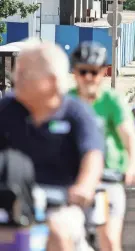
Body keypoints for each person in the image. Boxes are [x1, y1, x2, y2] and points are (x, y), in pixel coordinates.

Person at [0, 38, 105, 251]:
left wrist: (84, 186)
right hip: (10, 202)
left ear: (51, 80)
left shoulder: (77, 112)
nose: (14, 77)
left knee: (58, 232)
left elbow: (92, 154)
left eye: (23, 73)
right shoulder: (7, 108)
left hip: (61, 203)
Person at [70, 41, 135, 251]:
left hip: (107, 179)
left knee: (109, 239)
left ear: (103, 72)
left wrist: (132, 165)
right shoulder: (66, 101)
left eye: (94, 72)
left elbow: (129, 136)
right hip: (72, 183)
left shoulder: (112, 101)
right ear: (75, 72)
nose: (89, 78)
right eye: (83, 72)